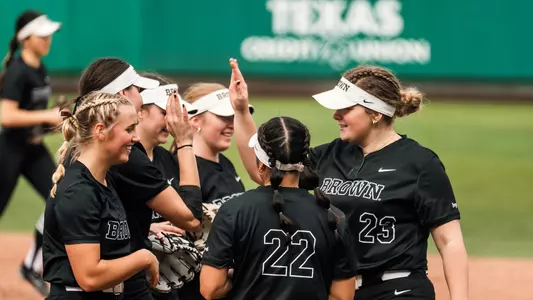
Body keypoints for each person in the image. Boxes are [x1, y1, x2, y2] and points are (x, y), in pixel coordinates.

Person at [231, 60, 469, 300]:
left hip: (398, 290)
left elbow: (449, 241)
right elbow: (263, 169)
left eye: (346, 109)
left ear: (375, 113)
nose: (336, 115)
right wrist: (241, 112)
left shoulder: (420, 163)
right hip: (340, 291)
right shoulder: (330, 155)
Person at [72, 58, 203, 300]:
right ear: (123, 94)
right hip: (114, 279)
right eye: (138, 90)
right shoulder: (127, 157)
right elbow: (191, 218)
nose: (140, 97)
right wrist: (185, 141)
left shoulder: (82, 145)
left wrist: (143, 227)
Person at [199, 116, 356, 300]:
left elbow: (211, 288)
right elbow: (342, 296)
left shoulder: (234, 210)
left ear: (260, 164)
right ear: (303, 163)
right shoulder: (333, 216)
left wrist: (244, 276)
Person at [42, 92, 160, 300]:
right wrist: (144, 258)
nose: (137, 137)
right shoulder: (78, 192)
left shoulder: (104, 181)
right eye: (129, 129)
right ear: (100, 131)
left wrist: (147, 229)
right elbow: (90, 277)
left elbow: (101, 227)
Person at [0, 10, 62, 295]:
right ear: (26, 39)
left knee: (60, 195)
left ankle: (30, 265)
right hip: (10, 151)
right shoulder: (17, 71)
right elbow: (7, 116)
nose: (49, 39)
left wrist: (55, 124)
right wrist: (47, 115)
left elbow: (35, 114)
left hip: (33, 151)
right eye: (43, 35)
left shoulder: (39, 68)